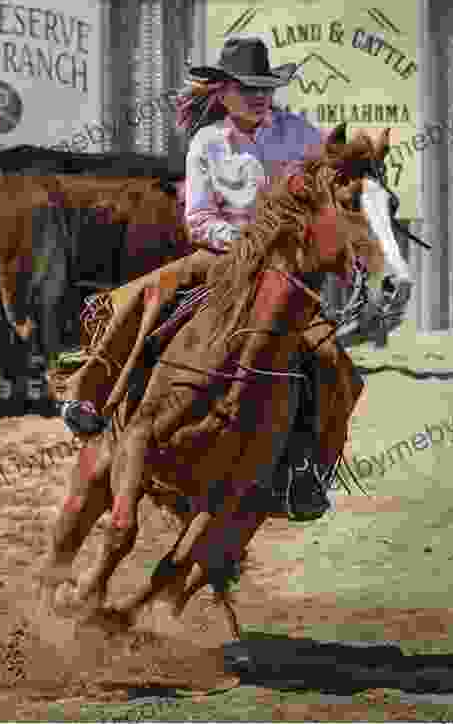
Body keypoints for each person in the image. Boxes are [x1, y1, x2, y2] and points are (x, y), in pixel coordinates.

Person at [61, 36, 358, 523]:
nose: (258, 96)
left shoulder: (301, 133)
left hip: (287, 273)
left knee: (332, 362)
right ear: (222, 92)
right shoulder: (208, 143)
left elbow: (331, 181)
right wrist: (246, 241)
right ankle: (90, 390)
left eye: (265, 86)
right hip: (222, 259)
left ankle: (307, 472)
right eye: (247, 88)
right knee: (150, 291)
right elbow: (197, 220)